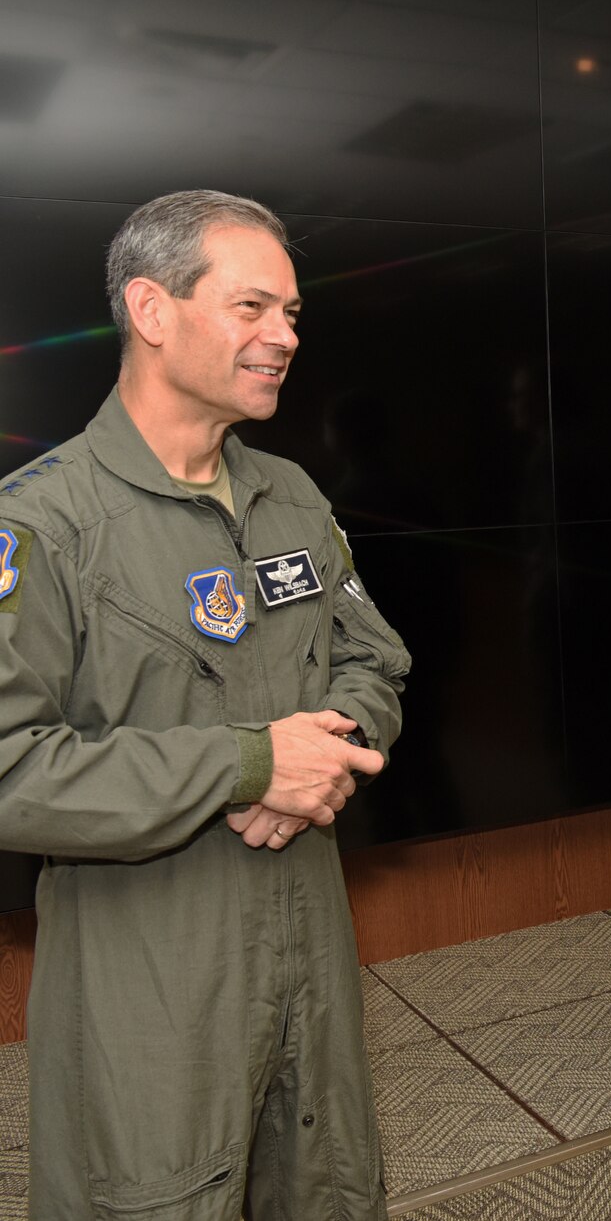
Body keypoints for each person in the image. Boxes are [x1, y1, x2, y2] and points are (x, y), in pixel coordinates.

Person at [0, 190, 411, 1217]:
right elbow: (10, 768)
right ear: (150, 307)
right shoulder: (45, 524)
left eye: (293, 314)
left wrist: (327, 750)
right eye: (252, 308)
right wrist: (249, 764)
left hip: (308, 946)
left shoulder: (291, 495)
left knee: (319, 1184)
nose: (283, 337)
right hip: (151, 973)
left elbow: (375, 661)